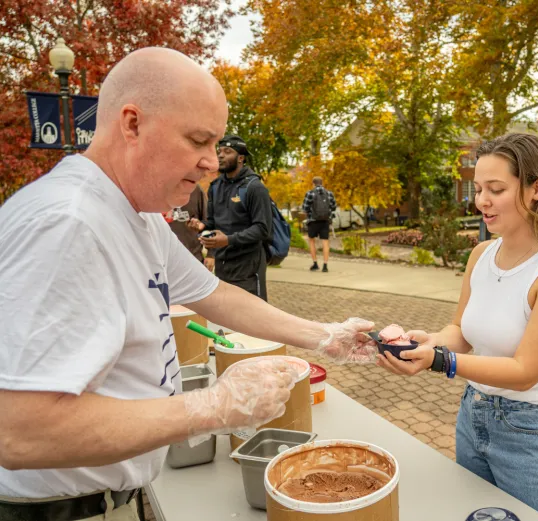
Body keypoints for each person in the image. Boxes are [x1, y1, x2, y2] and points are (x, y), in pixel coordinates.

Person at [0, 48, 376, 521]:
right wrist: (215, 407)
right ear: (132, 123)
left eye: (215, 144)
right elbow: (20, 433)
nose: (210, 164)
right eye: (198, 141)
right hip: (58, 511)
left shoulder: (134, 214)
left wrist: (324, 335)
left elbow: (214, 294)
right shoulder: (68, 224)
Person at [376, 133, 538, 521]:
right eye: (478, 189)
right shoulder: (482, 254)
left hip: (533, 435)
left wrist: (440, 361)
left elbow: (525, 372)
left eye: (496, 189)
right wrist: (429, 341)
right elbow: (461, 331)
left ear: (536, 190)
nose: (481, 201)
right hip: (472, 418)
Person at [188, 135, 272, 300]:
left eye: (227, 152)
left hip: (248, 266)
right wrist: (202, 226)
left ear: (240, 158)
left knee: (251, 317)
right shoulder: (215, 186)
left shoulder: (254, 187)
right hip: (223, 265)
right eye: (219, 151)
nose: (220, 155)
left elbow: (263, 229)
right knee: (227, 318)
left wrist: (228, 240)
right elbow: (213, 222)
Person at [165, 184, 208, 264]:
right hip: (164, 259)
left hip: (193, 257)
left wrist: (210, 254)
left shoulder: (195, 190)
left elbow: (208, 222)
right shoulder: (156, 190)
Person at [302, 176, 336, 272]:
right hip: (325, 221)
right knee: (325, 242)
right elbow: (333, 207)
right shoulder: (329, 193)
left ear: (313, 183)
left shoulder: (309, 193)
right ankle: (325, 266)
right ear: (322, 183)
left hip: (313, 221)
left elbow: (305, 208)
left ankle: (315, 263)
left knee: (312, 241)